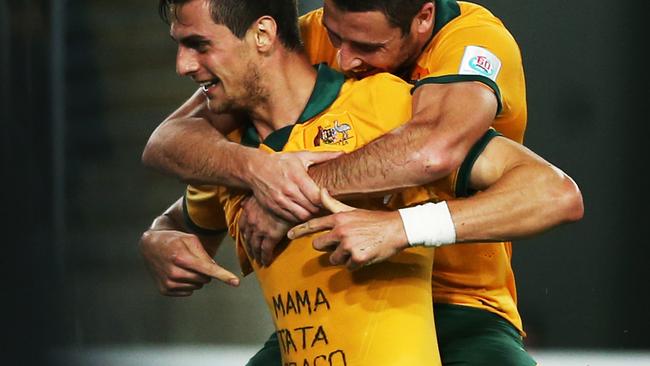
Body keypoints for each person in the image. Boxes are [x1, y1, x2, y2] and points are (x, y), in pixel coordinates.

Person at [141, 0, 583, 365]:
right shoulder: (298, 54)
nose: (344, 60)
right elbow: (168, 142)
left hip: (462, 306)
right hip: (320, 336)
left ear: (424, 17)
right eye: (336, 37)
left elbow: (434, 151)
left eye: (368, 45)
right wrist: (162, 234)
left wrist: (300, 194)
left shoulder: (414, 90)